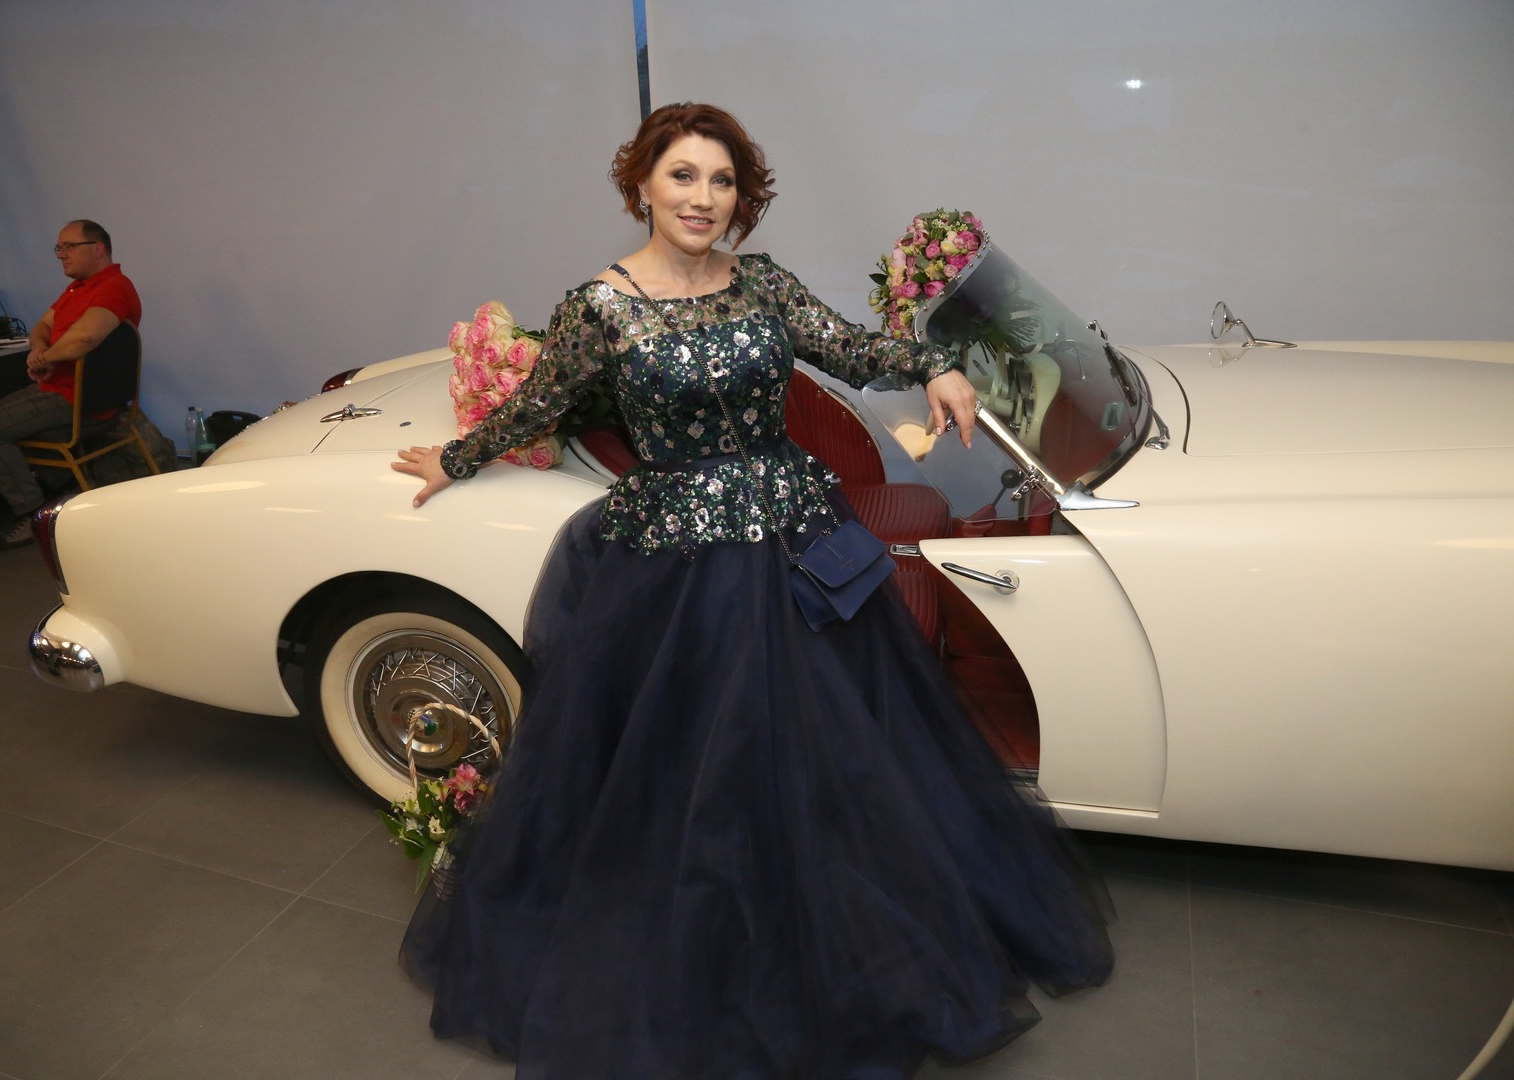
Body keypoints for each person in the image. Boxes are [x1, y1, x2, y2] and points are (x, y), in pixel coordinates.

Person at [393, 103, 1113, 1079]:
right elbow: (541, 402)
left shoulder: (762, 283)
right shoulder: (599, 307)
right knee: (689, 774)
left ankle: (833, 937)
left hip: (794, 540)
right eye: (682, 175)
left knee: (835, 760)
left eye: (722, 181)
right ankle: (700, 955)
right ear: (642, 185)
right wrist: (454, 458)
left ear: (743, 196)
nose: (703, 198)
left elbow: (851, 349)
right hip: (676, 569)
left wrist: (936, 366)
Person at [0, 219, 141, 549]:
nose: (61, 254)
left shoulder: (113, 287)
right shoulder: (76, 289)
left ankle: (34, 516)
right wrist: (40, 348)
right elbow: (41, 327)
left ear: (98, 249)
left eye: (69, 246)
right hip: (62, 390)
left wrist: (43, 359)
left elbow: (85, 338)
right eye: (59, 248)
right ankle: (57, 488)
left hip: (79, 400)